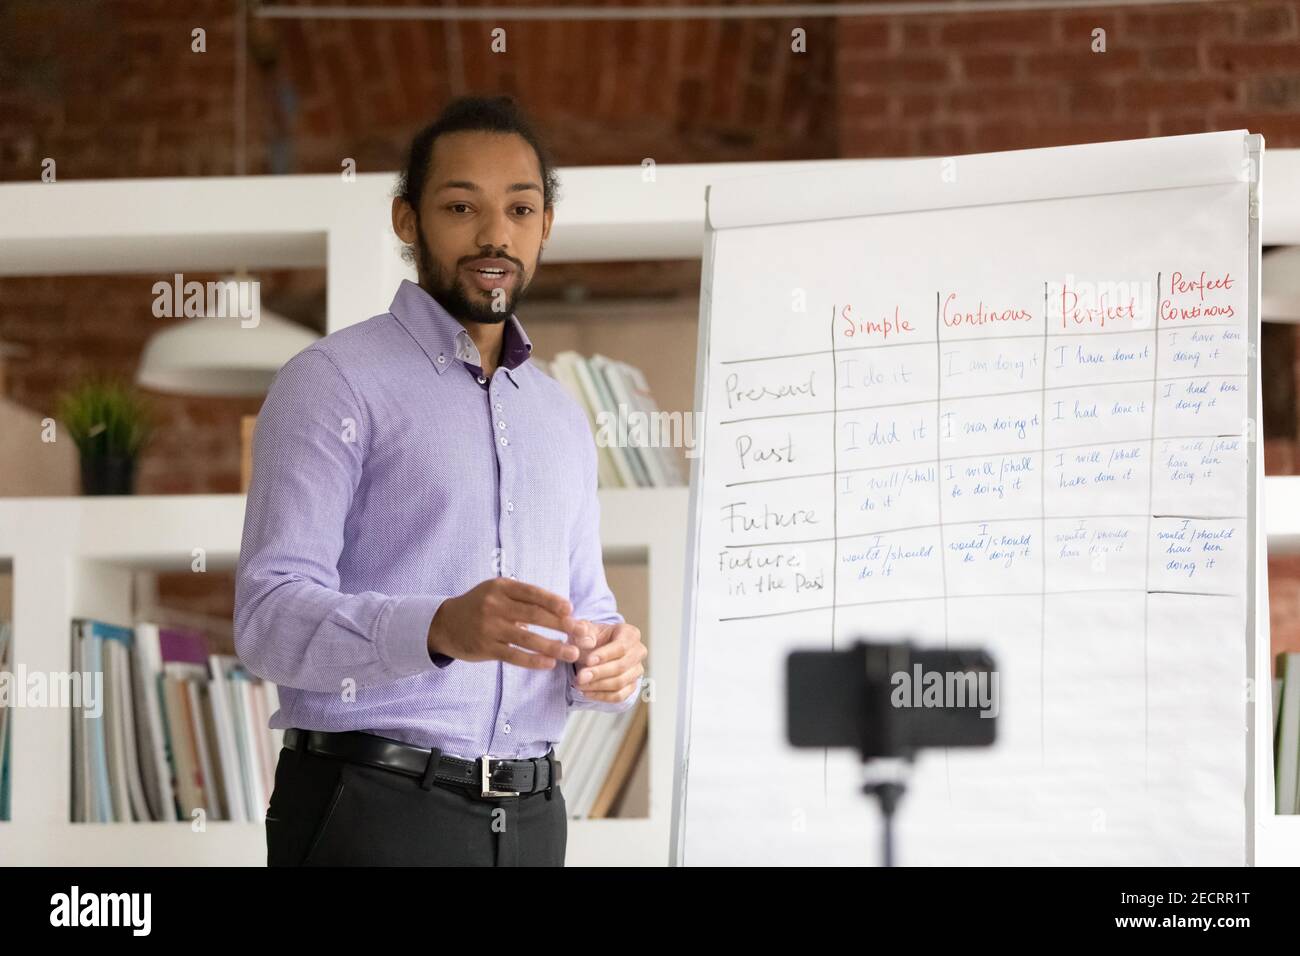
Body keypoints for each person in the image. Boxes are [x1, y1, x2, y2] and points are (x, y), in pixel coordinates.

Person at [234, 95, 646, 866]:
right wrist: (436, 627)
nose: (496, 234)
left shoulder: (560, 417)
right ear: (406, 221)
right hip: (373, 810)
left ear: (545, 226)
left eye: (521, 208)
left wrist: (608, 657)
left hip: (533, 817)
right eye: (462, 206)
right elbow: (269, 620)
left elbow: (584, 608)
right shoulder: (331, 383)